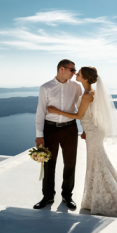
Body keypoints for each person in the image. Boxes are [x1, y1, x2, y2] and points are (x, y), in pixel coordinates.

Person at [48, 66, 117, 217]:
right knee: (97, 163)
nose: (76, 75)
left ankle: (103, 197)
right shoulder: (89, 92)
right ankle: (95, 197)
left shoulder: (87, 95)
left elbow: (79, 116)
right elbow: (91, 114)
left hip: (94, 134)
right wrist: (86, 131)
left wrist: (56, 111)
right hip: (92, 133)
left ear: (85, 78)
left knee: (97, 163)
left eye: (78, 73)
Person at [34, 59, 82, 210]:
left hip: (70, 129)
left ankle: (67, 196)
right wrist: (39, 134)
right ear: (62, 69)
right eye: (72, 70)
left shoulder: (76, 86)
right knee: (49, 163)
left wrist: (86, 129)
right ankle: (48, 196)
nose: (74, 73)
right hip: (50, 129)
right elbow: (40, 111)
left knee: (70, 163)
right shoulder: (45, 87)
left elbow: (82, 109)